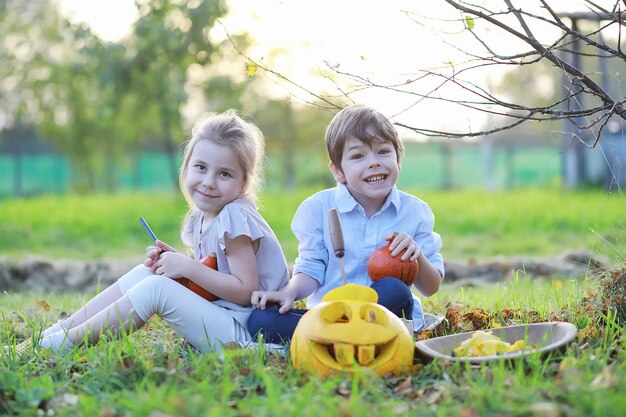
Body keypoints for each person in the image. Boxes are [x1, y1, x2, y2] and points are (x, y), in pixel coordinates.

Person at [5, 110, 289, 356]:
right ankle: (54, 333)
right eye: (201, 167)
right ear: (186, 167)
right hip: (225, 319)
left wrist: (189, 268)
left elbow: (244, 291)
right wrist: (177, 265)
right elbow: (214, 277)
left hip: (251, 333)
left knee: (156, 289)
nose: (209, 182)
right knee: (149, 275)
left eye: (224, 174)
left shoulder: (234, 216)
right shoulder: (201, 217)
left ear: (242, 184)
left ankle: (58, 344)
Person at [247, 103, 444, 344]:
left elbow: (431, 286)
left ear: (398, 159)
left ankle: (326, 339)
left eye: (383, 151)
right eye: (358, 156)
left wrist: (417, 256)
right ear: (338, 171)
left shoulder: (415, 212)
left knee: (396, 290)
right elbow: (311, 268)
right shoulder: (318, 209)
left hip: (382, 313)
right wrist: (289, 292)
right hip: (330, 315)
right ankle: (347, 336)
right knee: (260, 320)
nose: (374, 162)